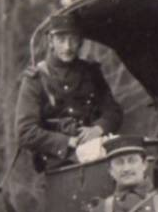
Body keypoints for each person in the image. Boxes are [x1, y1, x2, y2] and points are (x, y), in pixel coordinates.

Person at [15, 11, 123, 172]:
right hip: (56, 165)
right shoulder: (36, 79)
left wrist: (98, 129)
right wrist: (67, 142)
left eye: (73, 39)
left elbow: (113, 111)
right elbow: (25, 132)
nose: (67, 47)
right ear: (51, 41)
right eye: (61, 40)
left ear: (80, 41)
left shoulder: (91, 73)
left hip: (96, 158)